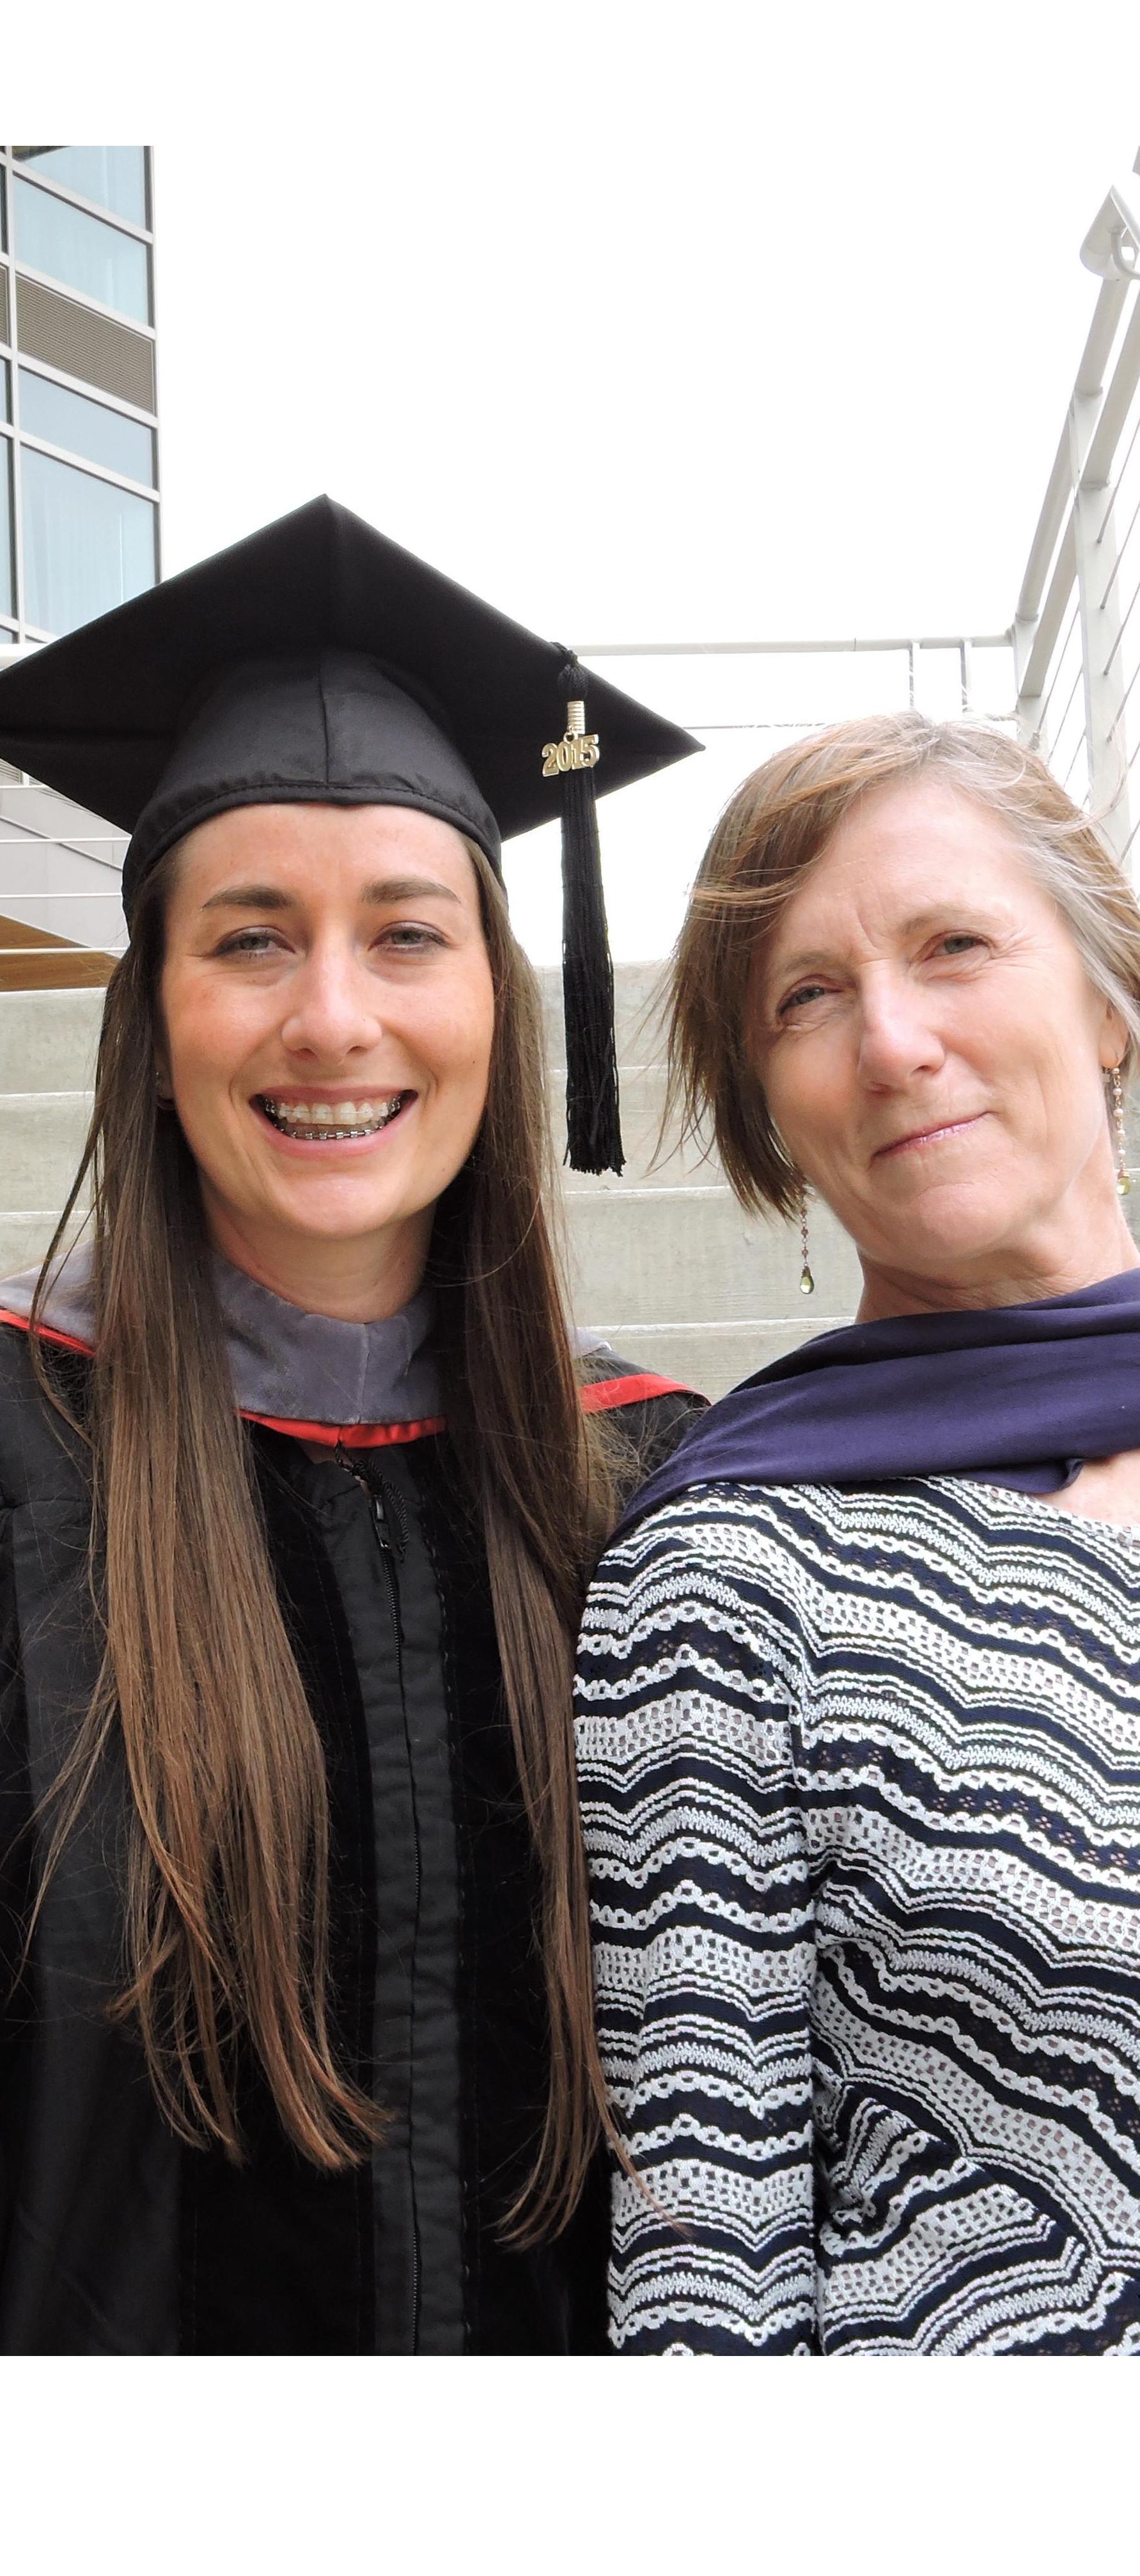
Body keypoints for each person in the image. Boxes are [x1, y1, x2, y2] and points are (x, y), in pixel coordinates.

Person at [0, 497, 704, 2355]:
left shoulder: (643, 1486)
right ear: (149, 1014)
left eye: (405, 935)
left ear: (495, 994)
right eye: (249, 939)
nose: (331, 1015)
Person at [578, 712, 1140, 2355]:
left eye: (952, 945)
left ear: (1108, 997)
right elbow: (703, 2264)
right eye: (806, 998)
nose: (892, 1039)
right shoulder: (730, 1577)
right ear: (770, 1105)